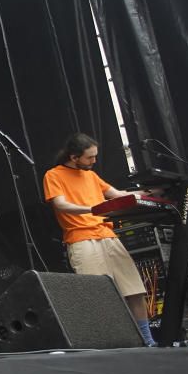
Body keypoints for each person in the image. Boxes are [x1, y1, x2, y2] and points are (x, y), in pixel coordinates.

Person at [42, 133, 155, 346]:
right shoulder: (54, 175)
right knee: (97, 296)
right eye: (90, 157)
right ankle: (109, 342)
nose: (94, 161)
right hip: (82, 239)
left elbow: (117, 194)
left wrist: (149, 194)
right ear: (74, 157)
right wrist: (94, 209)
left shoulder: (92, 176)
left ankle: (147, 339)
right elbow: (60, 205)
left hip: (108, 236)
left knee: (135, 290)